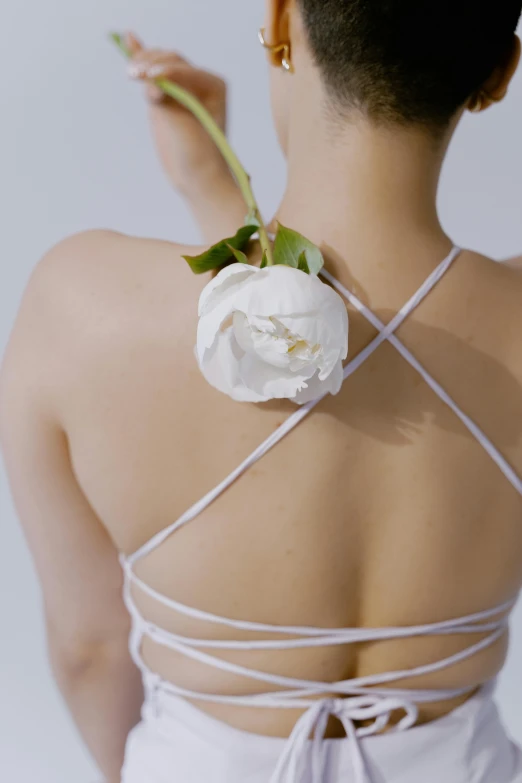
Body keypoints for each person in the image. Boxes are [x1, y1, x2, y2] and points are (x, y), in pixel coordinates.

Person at [1, 1, 522, 781]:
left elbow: (90, 651)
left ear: (282, 21)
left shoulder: (80, 307)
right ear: (498, 75)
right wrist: (210, 187)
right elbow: (381, 354)